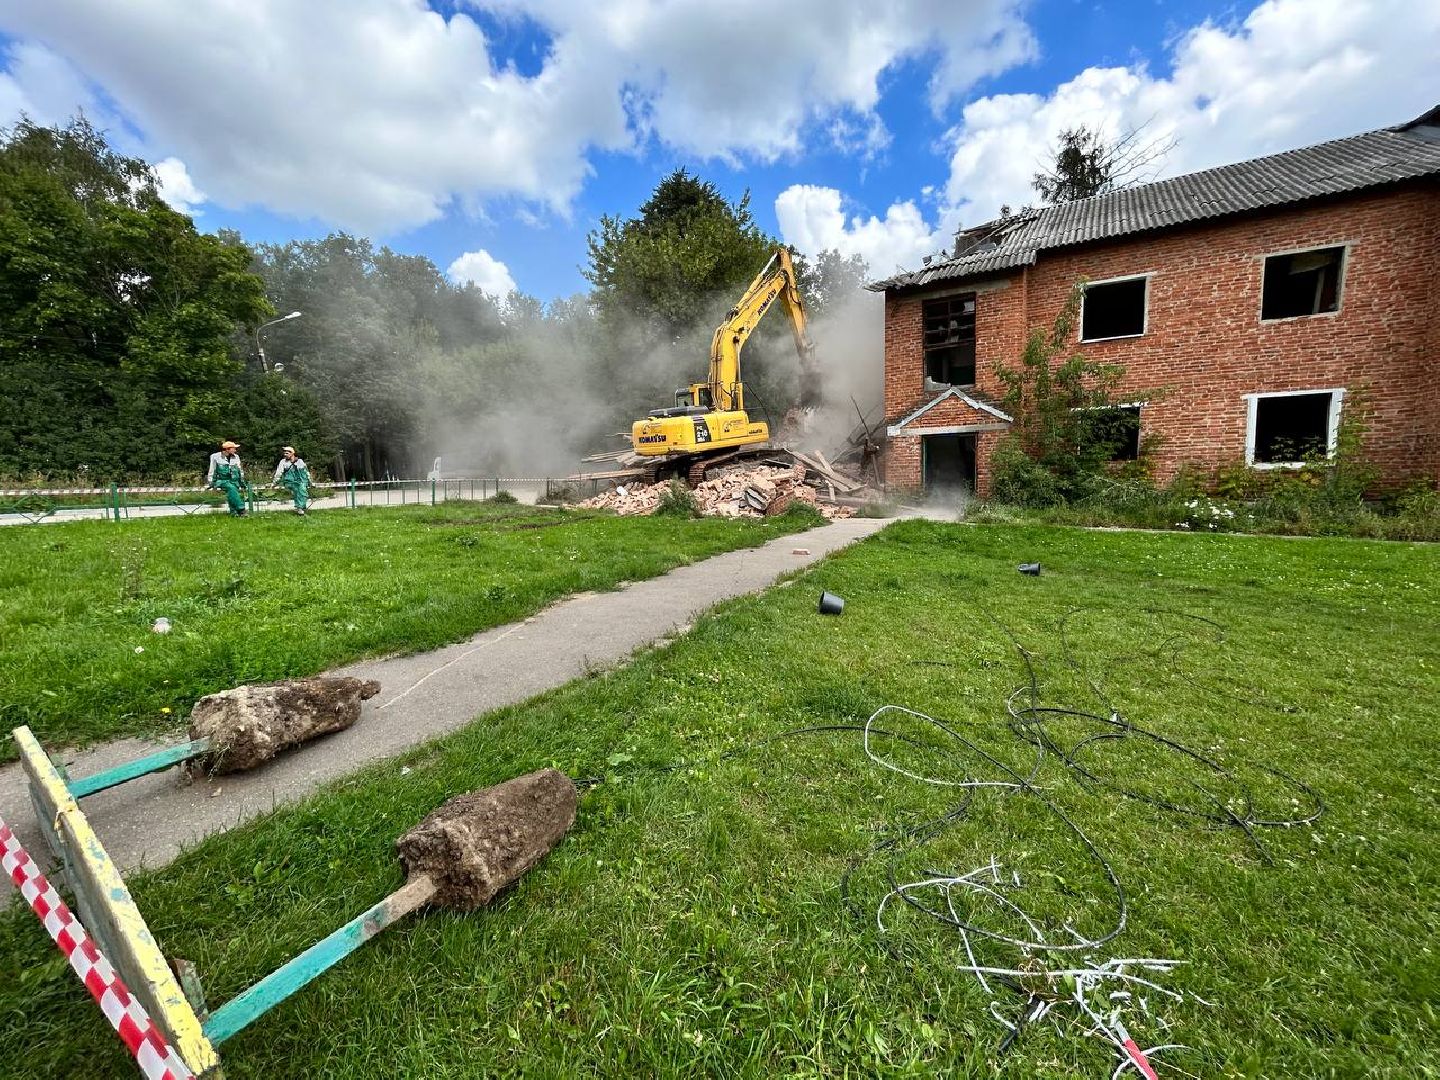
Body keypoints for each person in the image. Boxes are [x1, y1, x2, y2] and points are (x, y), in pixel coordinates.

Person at [206, 440, 247, 516]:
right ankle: (241, 509)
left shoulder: (236, 457)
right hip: (221, 480)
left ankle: (234, 513)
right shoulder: (215, 456)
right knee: (231, 488)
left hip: (233, 480)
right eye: (233, 448)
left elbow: (240, 470)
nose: (235, 450)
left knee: (233, 488)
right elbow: (212, 470)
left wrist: (242, 483)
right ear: (227, 449)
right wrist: (211, 483)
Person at [272, 445, 311, 515]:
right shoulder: (283, 462)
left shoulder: (300, 461)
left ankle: (301, 507)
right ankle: (300, 508)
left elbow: (306, 472)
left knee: (302, 489)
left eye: (287, 453)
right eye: (284, 453)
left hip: (301, 481)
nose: (285, 454)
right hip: (289, 481)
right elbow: (278, 473)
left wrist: (310, 482)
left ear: (292, 453)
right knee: (298, 488)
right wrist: (274, 483)